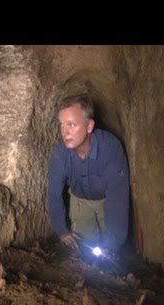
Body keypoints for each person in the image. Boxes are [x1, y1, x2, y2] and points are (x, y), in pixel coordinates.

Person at [48, 95, 130, 260]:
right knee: (86, 251)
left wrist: (113, 245)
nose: (65, 132)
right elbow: (54, 194)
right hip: (80, 201)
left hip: (106, 200)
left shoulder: (110, 149)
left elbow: (118, 199)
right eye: (62, 125)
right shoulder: (61, 154)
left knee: (108, 253)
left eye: (71, 125)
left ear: (89, 126)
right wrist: (62, 231)